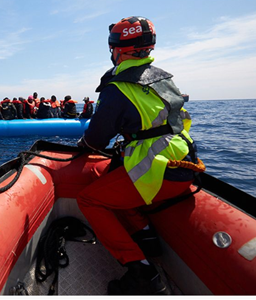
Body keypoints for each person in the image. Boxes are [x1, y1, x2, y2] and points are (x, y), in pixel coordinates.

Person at [76, 16, 198, 295]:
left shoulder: (118, 88)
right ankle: (146, 236)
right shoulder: (165, 80)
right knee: (110, 176)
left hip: (158, 172)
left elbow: (96, 139)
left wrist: (85, 145)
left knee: (89, 200)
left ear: (117, 50)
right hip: (184, 162)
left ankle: (140, 269)